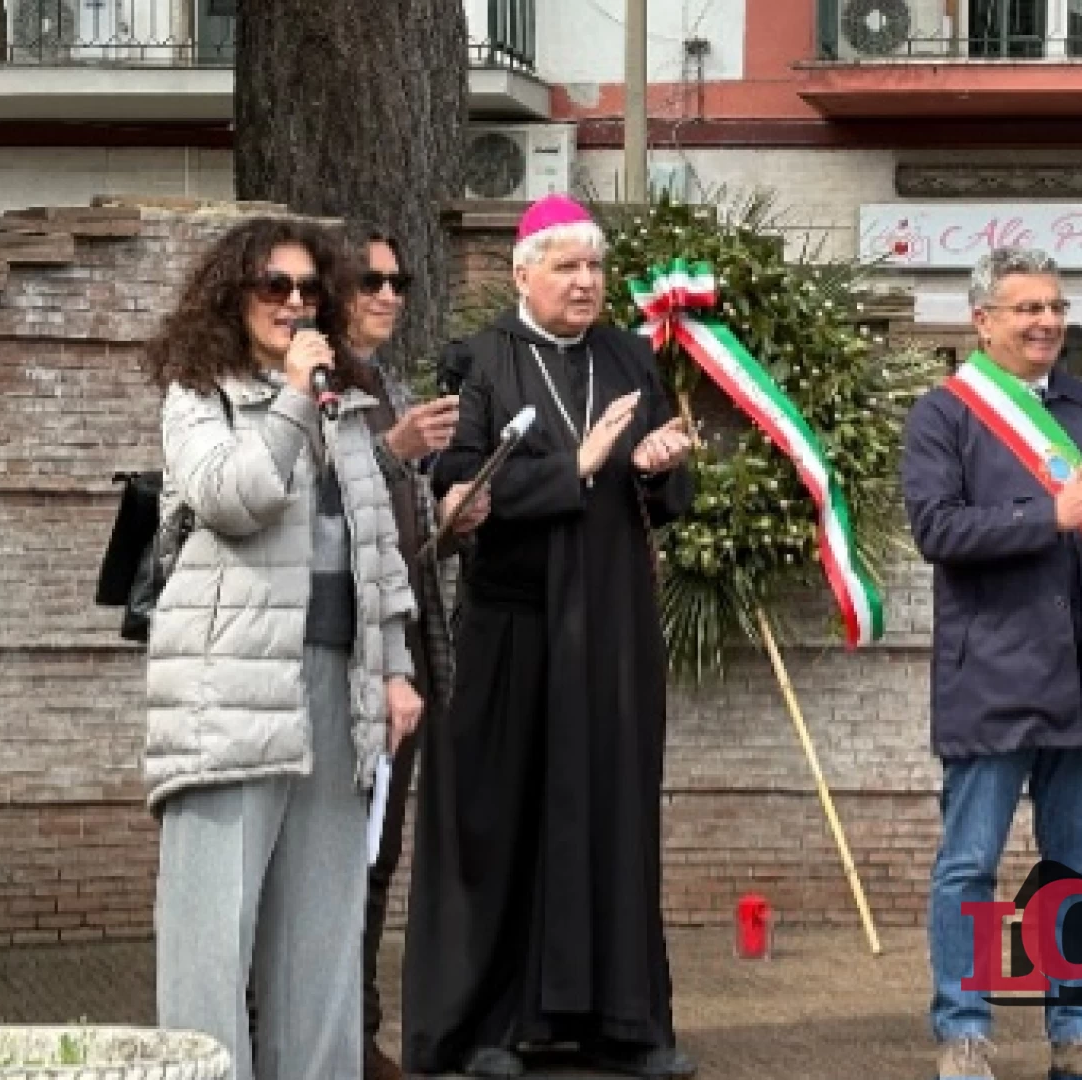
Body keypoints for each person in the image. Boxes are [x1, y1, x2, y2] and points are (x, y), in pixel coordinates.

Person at [400, 193, 697, 1080]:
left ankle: (622, 1024)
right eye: (567, 266)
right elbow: (460, 488)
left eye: (595, 267)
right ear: (524, 273)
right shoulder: (481, 359)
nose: (585, 282)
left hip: (610, 631)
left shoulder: (630, 356)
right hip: (514, 627)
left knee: (613, 818)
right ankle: (489, 1028)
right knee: (504, 819)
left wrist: (657, 468)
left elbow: (666, 500)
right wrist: (575, 467)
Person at [142, 216, 423, 1080]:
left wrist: (396, 667)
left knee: (323, 938)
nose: (294, 302)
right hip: (229, 691)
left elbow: (378, 547)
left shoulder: (349, 409)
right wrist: (297, 401)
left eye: (308, 288)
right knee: (210, 936)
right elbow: (236, 497)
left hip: (338, 686)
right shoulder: (201, 396)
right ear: (234, 297)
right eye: (275, 286)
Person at [900, 246, 1082, 1080]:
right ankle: (964, 1034)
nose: (1047, 321)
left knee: (1076, 869)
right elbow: (937, 529)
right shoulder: (945, 414)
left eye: (1056, 307)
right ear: (983, 321)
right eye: (1028, 308)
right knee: (970, 867)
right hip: (990, 673)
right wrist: (1048, 513)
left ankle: (1076, 1037)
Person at [338, 223, 490, 1080]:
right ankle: (313, 1034)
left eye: (400, 282)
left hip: (405, 649)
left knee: (378, 852)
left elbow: (401, 538)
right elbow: (318, 506)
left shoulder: (390, 384)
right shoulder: (316, 389)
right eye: (372, 281)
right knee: (338, 855)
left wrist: (451, 518)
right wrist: (395, 454)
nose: (390, 295)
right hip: (345, 657)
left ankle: (356, 1034)